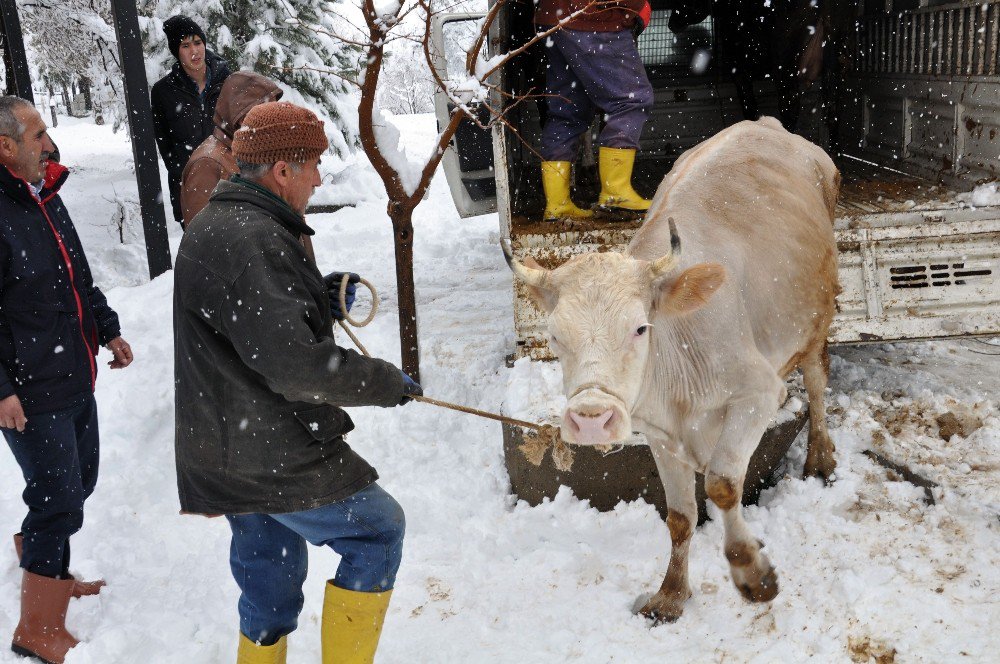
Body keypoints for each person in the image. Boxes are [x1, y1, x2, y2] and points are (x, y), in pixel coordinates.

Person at [173, 101, 421, 663]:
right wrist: (386, 383)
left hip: (230, 440)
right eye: (311, 166)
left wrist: (318, 296)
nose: (318, 179)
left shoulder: (229, 220)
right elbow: (296, 368)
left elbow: (254, 322)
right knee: (378, 530)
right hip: (268, 447)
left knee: (269, 582)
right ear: (281, 171)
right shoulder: (252, 237)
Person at [0, 95, 133, 664]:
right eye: (36, 136)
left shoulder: (44, 193)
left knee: (79, 483)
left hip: (72, 370)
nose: (48, 143)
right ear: (5, 147)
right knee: (58, 497)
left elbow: (76, 272)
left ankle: (43, 561)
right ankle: (37, 625)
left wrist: (107, 328)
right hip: (28, 388)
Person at [534, 0, 654, 221]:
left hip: (553, 16)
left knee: (567, 111)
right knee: (631, 100)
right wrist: (636, 7)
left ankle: (557, 204)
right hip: (594, 15)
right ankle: (615, 194)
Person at [151, 15, 231, 225]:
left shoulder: (228, 80)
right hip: (191, 189)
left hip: (230, 186)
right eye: (185, 45)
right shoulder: (164, 92)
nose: (195, 51)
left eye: (198, 42)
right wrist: (187, 176)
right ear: (176, 52)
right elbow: (166, 147)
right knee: (201, 255)